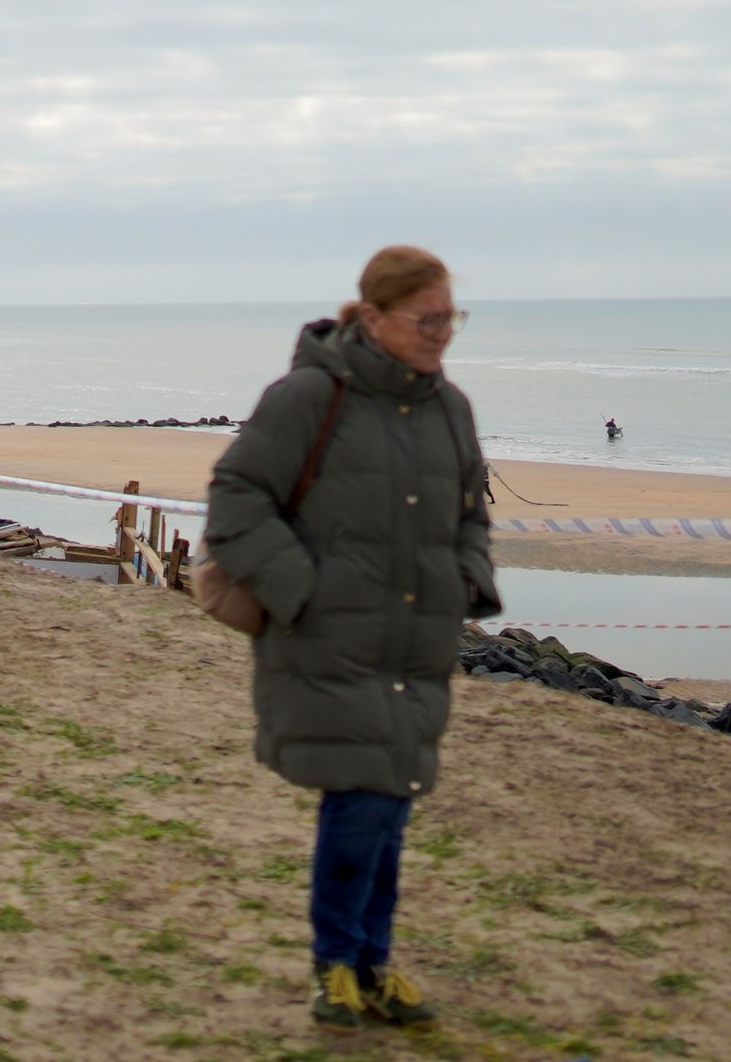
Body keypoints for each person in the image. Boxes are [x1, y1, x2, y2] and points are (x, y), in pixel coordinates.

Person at [204, 245, 501, 1034]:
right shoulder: (307, 397)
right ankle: (339, 964)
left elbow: (472, 511)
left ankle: (371, 962)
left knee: (391, 801)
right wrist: (304, 593)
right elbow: (237, 498)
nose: (442, 333)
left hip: (416, 643)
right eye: (427, 318)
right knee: (362, 800)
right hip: (328, 640)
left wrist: (467, 583)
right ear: (372, 317)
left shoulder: (450, 408)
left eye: (451, 318)